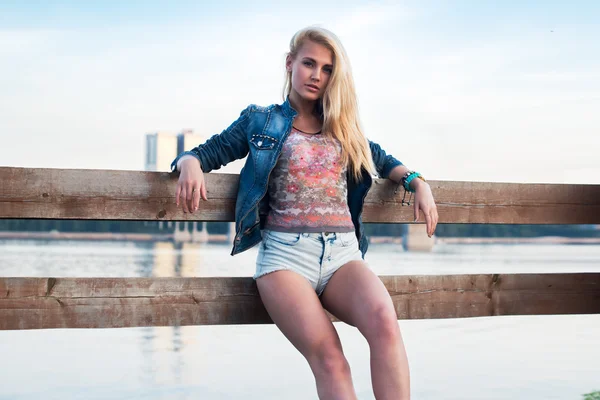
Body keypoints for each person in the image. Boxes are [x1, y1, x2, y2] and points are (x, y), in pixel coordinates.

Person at [172, 26, 438, 400]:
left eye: (327, 68)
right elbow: (207, 152)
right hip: (286, 259)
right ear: (290, 64)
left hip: (343, 254)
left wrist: (417, 182)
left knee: (385, 324)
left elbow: (384, 161)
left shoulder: (343, 127)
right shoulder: (260, 121)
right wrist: (188, 162)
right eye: (309, 63)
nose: (317, 75)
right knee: (331, 360)